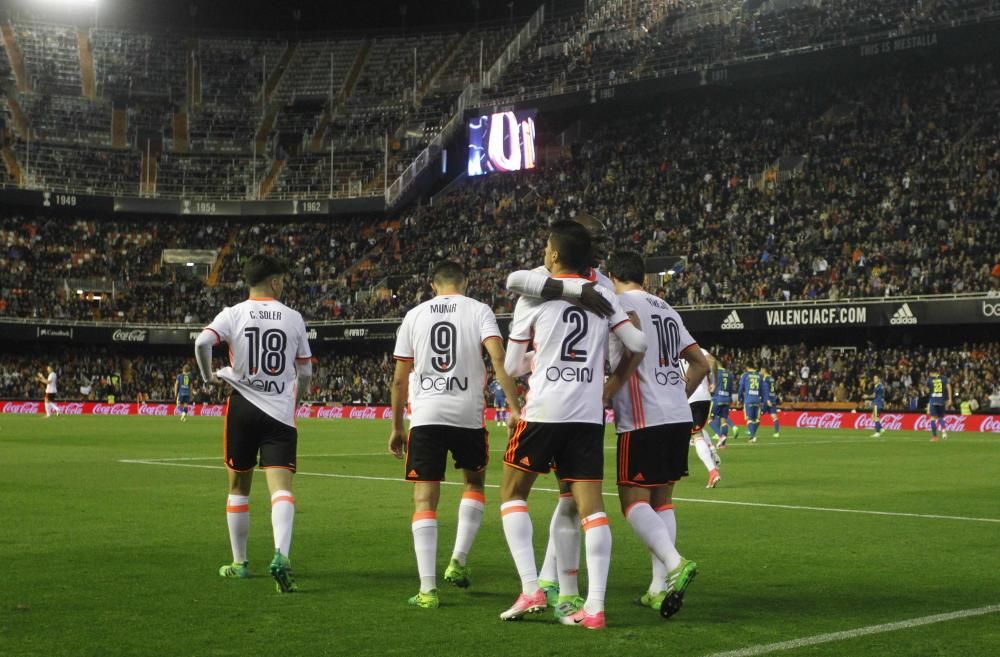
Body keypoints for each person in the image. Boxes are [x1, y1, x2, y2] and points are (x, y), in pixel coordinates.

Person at [499, 221, 647, 629]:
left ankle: (531, 587)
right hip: (586, 414)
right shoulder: (603, 296)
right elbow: (637, 345)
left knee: (512, 494)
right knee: (591, 511)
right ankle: (595, 607)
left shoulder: (531, 297)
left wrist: (540, 360)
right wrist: (608, 375)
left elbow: (511, 366)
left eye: (547, 248)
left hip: (544, 409)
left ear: (554, 256)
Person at [388, 261, 521, 609]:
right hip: (468, 414)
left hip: (426, 416)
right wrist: (514, 405)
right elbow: (497, 356)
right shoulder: (479, 310)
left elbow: (400, 379)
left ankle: (427, 589)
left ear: (433, 285)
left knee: (424, 501)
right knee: (474, 484)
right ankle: (458, 561)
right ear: (465, 282)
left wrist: (397, 427)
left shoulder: (414, 315)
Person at [194, 254, 313, 593]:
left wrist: (207, 378)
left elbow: (202, 342)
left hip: (242, 407)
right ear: (275, 281)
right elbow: (305, 371)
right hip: (279, 412)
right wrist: (297, 399)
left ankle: (240, 563)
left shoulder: (233, 314)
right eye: (283, 280)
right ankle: (281, 555)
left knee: (238, 488)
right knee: (282, 489)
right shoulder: (293, 318)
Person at [606, 250, 707, 619]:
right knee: (662, 501)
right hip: (677, 416)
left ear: (612, 275)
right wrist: (678, 393)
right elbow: (700, 363)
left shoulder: (616, 303)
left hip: (642, 417)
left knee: (633, 502)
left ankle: (676, 562)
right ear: (645, 279)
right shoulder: (666, 308)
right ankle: (656, 587)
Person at [683, 348, 721, 488]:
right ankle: (711, 451)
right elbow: (712, 361)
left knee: (695, 435)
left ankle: (712, 472)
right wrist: (714, 381)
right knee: (696, 430)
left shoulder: (671, 352)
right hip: (704, 397)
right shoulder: (696, 349)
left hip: (687, 397)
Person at [709, 357, 738, 447]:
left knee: (710, 420)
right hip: (726, 399)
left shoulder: (714, 373)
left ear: (716, 364)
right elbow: (730, 389)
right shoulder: (730, 374)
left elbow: (711, 387)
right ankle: (722, 444)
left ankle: (720, 435)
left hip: (717, 398)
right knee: (723, 422)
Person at [738, 364, 764, 443]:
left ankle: (752, 436)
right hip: (757, 399)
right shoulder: (760, 376)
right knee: (756, 419)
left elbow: (741, 388)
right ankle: (752, 435)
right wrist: (761, 399)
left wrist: (739, 399)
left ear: (747, 367)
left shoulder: (745, 375)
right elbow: (762, 389)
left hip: (748, 399)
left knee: (749, 419)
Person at [926, 365, 952, 442]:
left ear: (931, 373)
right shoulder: (944, 378)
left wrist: (926, 389)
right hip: (941, 400)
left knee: (933, 418)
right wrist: (950, 399)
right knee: (940, 417)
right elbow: (949, 387)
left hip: (933, 400)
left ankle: (935, 437)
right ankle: (944, 431)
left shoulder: (930, 380)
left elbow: (927, 391)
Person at [760, 366, 780, 438]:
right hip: (773, 398)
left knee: (758, 414)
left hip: (767, 399)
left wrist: (765, 399)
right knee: (774, 415)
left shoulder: (765, 378)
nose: (760, 371)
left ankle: (751, 430)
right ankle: (776, 433)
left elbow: (765, 389)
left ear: (764, 370)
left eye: (761, 369)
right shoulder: (772, 378)